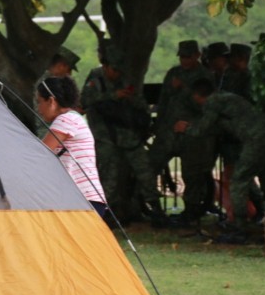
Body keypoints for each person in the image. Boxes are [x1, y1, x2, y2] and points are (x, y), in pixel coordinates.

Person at [175, 78, 265, 243]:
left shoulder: (213, 102)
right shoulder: (227, 98)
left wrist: (185, 128)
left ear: (197, 96)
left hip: (256, 138)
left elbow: (202, 129)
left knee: (238, 181)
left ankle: (239, 228)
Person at [80, 42, 168, 227]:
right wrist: (113, 95)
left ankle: (156, 209)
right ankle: (107, 215)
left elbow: (140, 104)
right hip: (106, 138)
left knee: (145, 172)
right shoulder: (96, 79)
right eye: (113, 69)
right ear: (105, 66)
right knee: (108, 178)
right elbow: (86, 101)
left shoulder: (124, 80)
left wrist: (131, 100)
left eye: (119, 70)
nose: (116, 73)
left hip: (129, 137)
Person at [147, 39, 216, 225]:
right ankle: (152, 206)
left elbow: (205, 104)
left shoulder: (205, 76)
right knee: (150, 165)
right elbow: (163, 101)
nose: (184, 61)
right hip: (168, 131)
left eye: (188, 57)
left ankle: (192, 210)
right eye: (182, 57)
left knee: (192, 173)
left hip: (191, 133)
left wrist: (184, 89)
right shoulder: (173, 73)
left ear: (197, 56)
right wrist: (158, 125)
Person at [36, 76, 107, 218]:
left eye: (39, 102)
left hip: (82, 199)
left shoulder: (66, 120)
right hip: (82, 199)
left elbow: (39, 154)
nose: (38, 109)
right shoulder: (73, 118)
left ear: (51, 101)